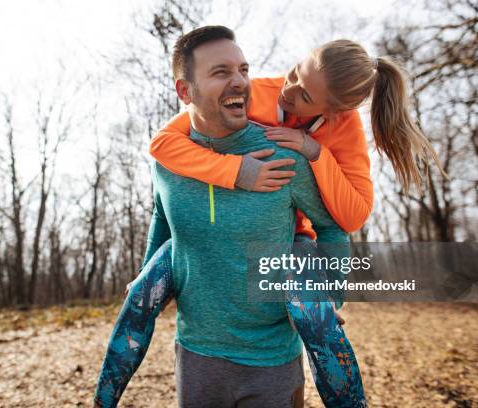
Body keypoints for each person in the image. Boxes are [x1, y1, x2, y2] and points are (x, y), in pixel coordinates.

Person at [95, 26, 368, 408]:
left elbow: (334, 225)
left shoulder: (284, 156)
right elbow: (161, 214)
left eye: (243, 69)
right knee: (138, 304)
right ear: (184, 91)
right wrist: (147, 272)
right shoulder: (170, 160)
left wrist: (332, 294)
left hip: (272, 361)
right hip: (197, 355)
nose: (240, 81)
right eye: (221, 72)